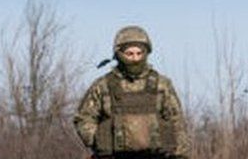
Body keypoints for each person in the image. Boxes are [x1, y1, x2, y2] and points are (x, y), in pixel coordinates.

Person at [74, 25, 190, 159]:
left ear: (146, 53)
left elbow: (176, 121)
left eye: (139, 53)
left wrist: (180, 155)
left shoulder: (161, 85)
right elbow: (83, 118)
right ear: (118, 54)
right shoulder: (103, 85)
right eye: (129, 54)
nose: (135, 59)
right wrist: (98, 140)